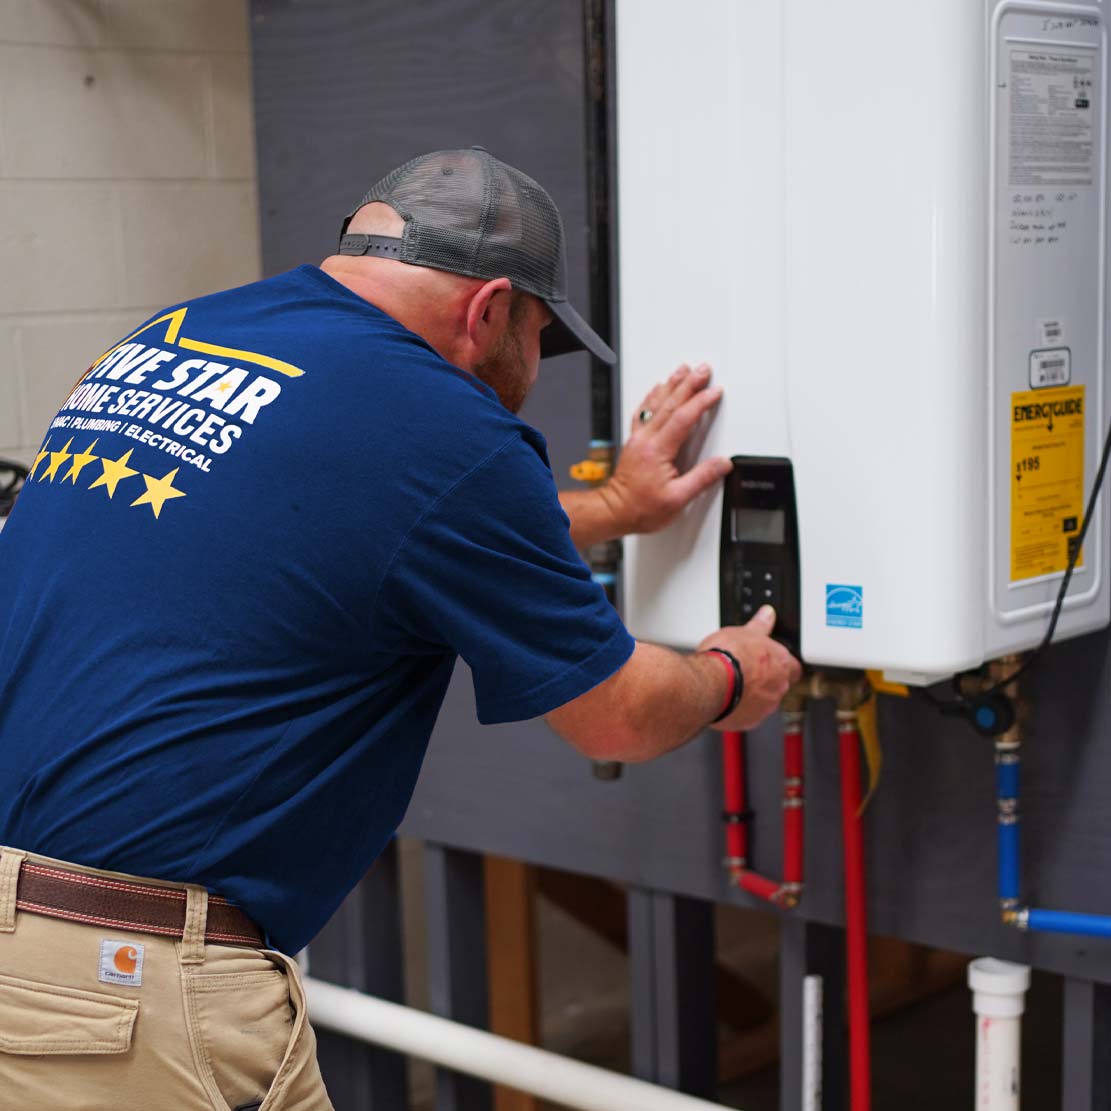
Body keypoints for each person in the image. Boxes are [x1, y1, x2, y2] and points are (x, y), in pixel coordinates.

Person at [0, 148, 800, 1110]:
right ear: (489, 308)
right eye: (540, 338)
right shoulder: (447, 424)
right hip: (122, 994)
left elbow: (347, 522)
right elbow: (615, 717)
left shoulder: (184, 333)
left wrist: (616, 502)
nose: (530, 370)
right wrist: (728, 672)